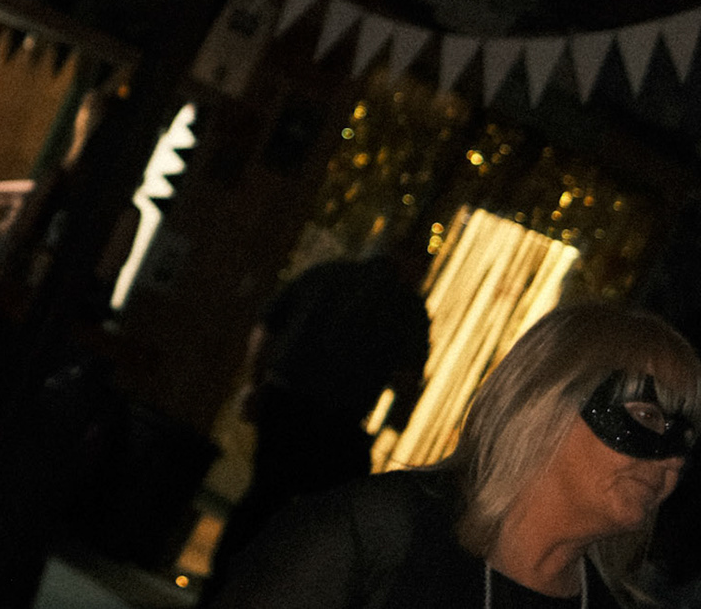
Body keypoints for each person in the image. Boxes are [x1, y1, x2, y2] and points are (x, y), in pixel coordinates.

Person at [211, 302, 700, 609]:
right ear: (546, 401)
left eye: (686, 437)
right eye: (647, 416)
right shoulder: (380, 534)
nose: (672, 458)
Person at [202, 251, 431, 600]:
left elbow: (266, 329)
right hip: (337, 421)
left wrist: (256, 382)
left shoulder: (326, 276)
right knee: (326, 515)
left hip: (286, 400)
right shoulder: (404, 306)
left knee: (264, 495)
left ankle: (221, 586)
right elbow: (407, 377)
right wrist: (395, 420)